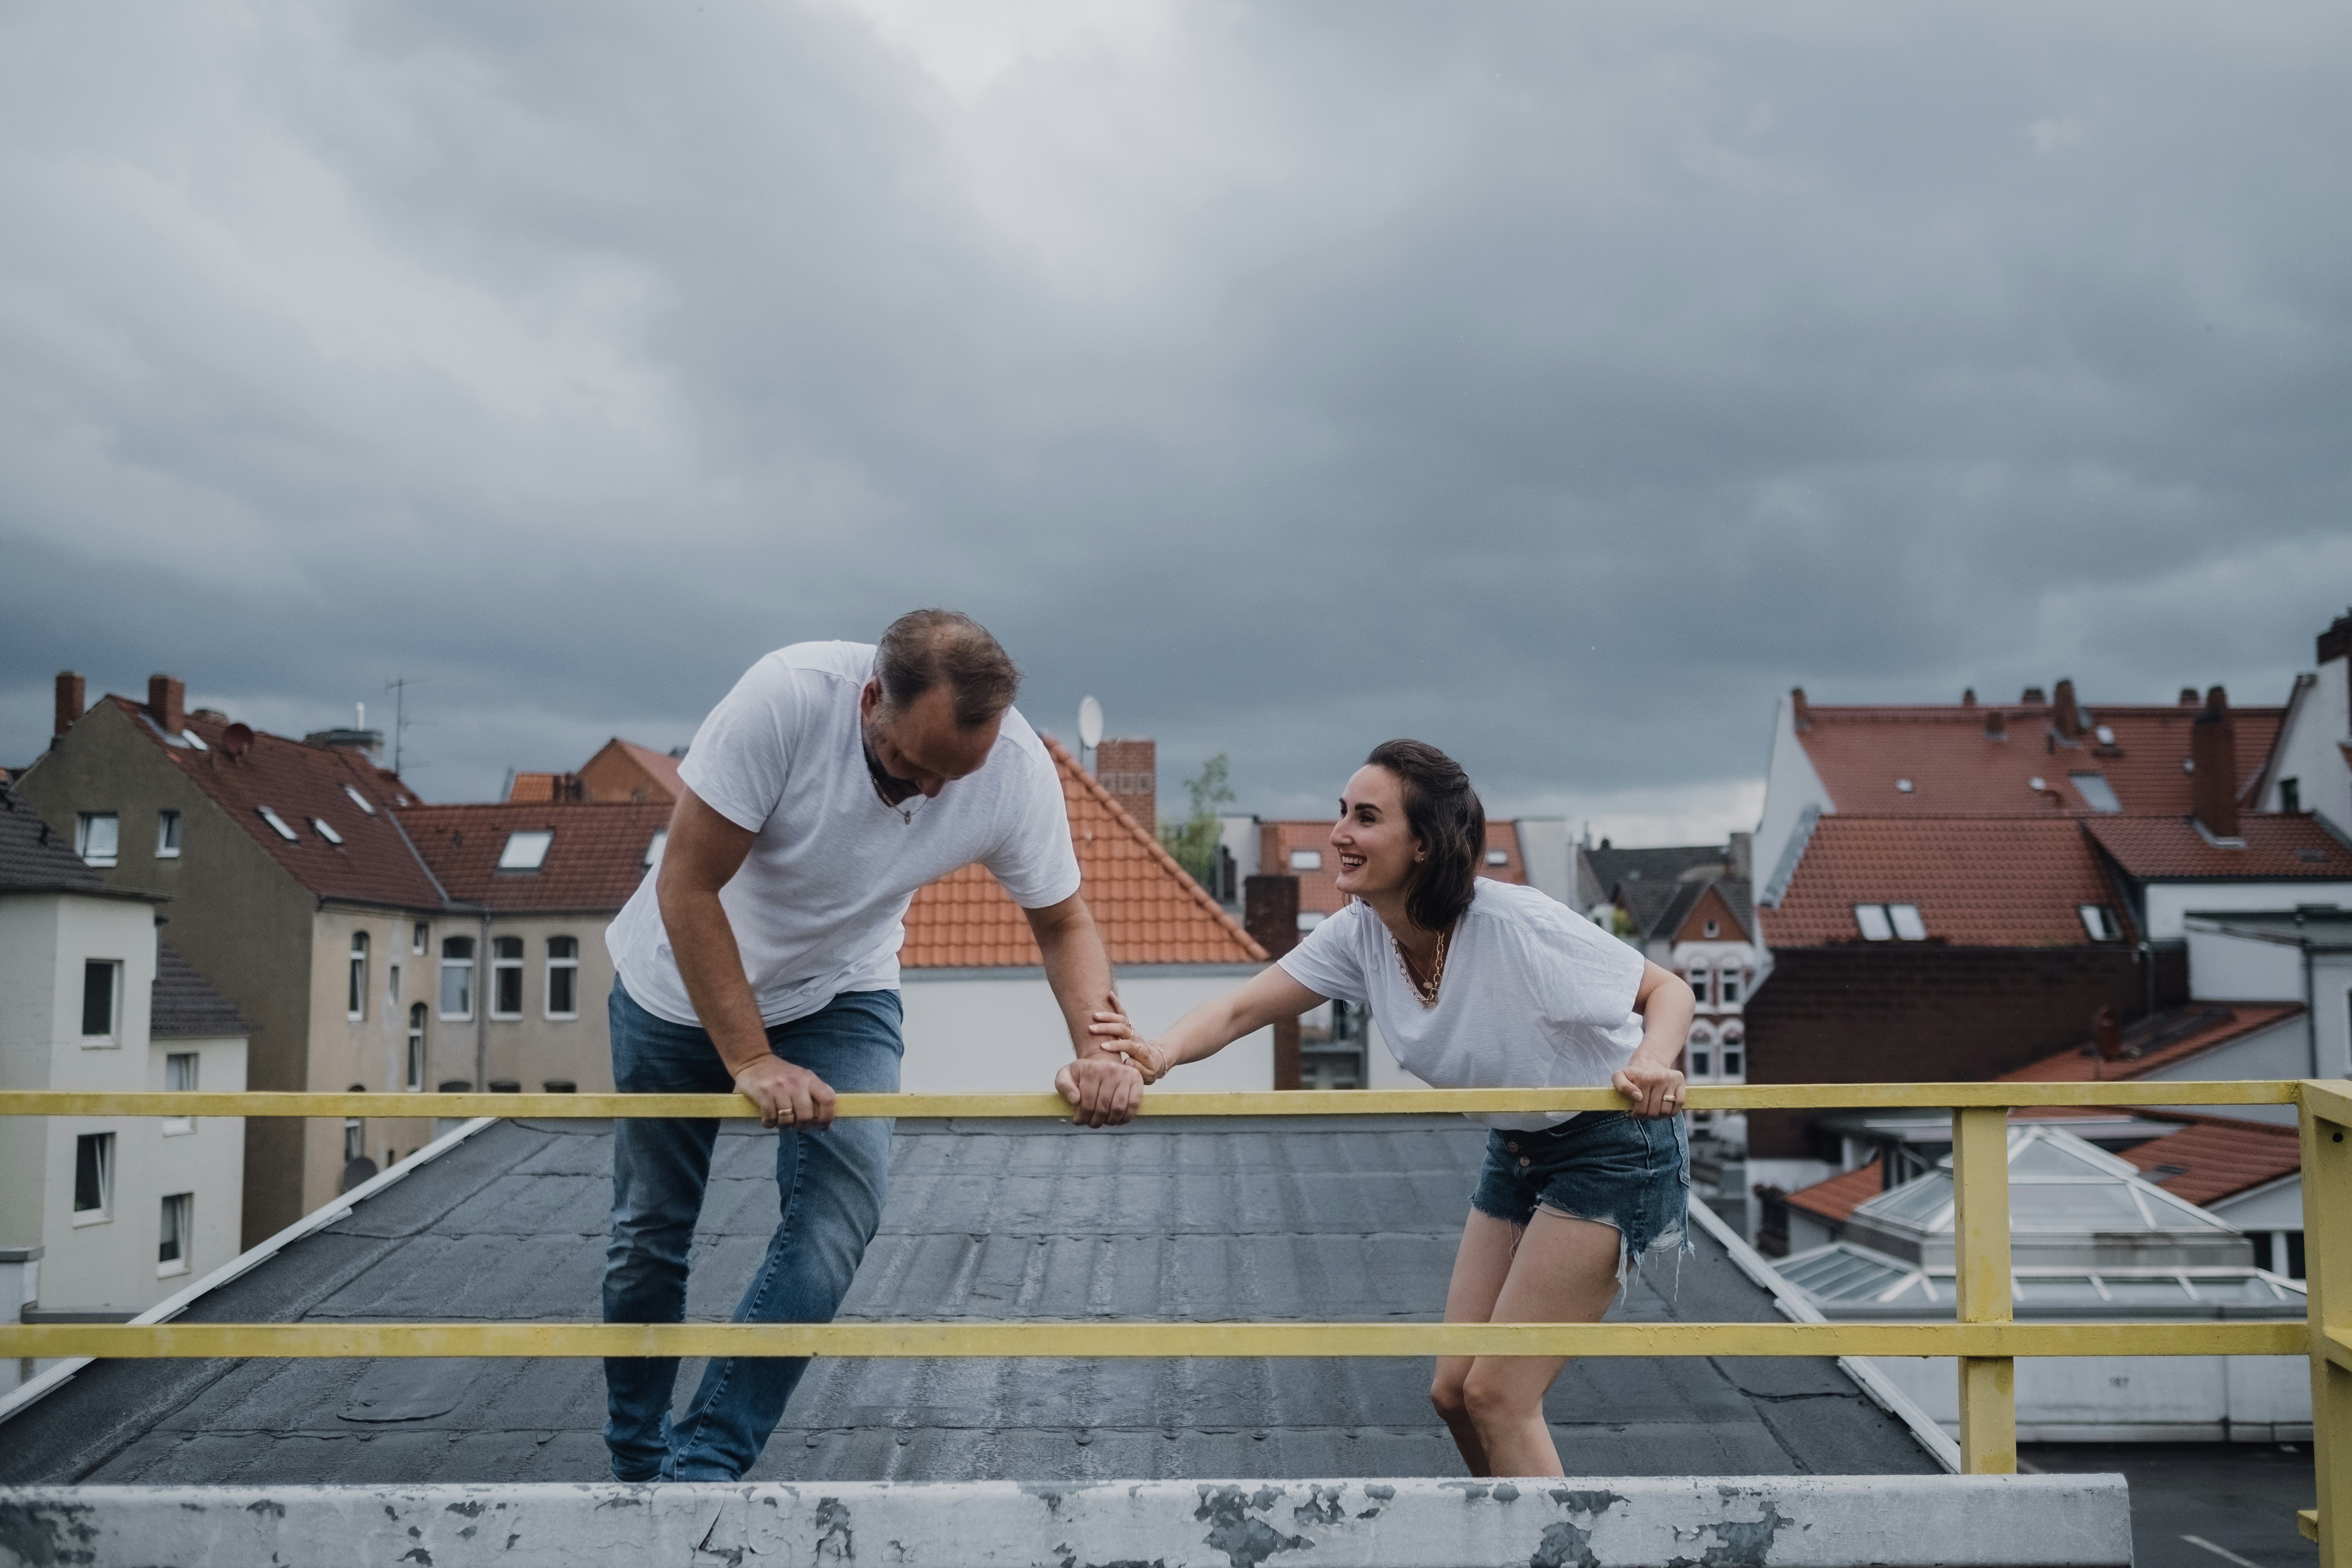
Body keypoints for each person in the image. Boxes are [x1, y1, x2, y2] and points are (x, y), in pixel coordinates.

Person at [601, 609, 1144, 1482]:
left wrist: (1105, 1049)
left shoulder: (1011, 771)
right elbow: (688, 885)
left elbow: (1063, 920)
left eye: (951, 777)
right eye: (910, 764)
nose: (928, 792)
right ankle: (634, 1462)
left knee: (836, 1218)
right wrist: (749, 1059)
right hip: (678, 988)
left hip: (839, 991)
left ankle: (700, 1463)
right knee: (650, 1234)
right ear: (869, 702)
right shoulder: (785, 699)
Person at [1067, 739, 1693, 1479]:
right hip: (1519, 1146)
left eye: (1365, 818)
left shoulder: (1516, 927)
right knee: (1454, 1393)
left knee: (1499, 1395)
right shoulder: (1363, 933)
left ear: (1423, 845)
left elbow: (1667, 991)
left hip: (1615, 1144)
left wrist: (1655, 1062)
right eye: (1342, 813)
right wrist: (1159, 1053)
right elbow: (1240, 1010)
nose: (1339, 834)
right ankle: (1510, 1543)